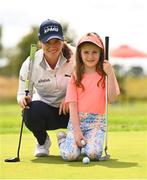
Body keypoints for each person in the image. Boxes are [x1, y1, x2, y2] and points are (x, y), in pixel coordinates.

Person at [57, 32, 120, 161]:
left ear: (101, 54)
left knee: (93, 154)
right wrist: (77, 131)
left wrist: (111, 73)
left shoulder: (105, 75)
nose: (90, 56)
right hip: (77, 122)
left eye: (94, 52)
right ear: (80, 54)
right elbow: (72, 106)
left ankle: (86, 147)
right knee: (70, 155)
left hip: (97, 124)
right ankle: (63, 140)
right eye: (86, 52)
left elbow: (112, 99)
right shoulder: (75, 76)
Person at [17, 19, 75, 157]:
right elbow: (21, 93)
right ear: (40, 42)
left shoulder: (76, 56)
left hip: (72, 109)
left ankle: (69, 140)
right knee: (29, 111)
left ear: (63, 40)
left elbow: (86, 84)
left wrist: (70, 97)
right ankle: (43, 142)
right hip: (46, 110)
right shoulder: (30, 63)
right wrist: (23, 99)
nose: (52, 46)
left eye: (56, 41)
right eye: (47, 42)